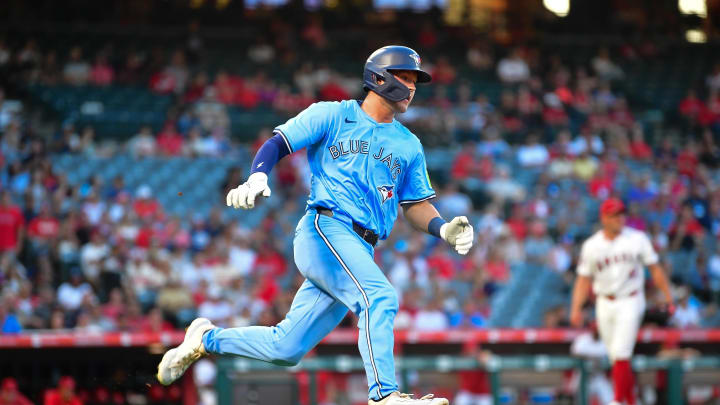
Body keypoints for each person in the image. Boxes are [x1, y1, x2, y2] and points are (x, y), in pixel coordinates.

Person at [157, 46, 474, 405]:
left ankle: (205, 339)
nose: (412, 87)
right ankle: (384, 395)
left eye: (415, 80)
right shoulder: (333, 114)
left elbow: (414, 205)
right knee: (379, 297)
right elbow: (279, 142)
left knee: (286, 347)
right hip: (326, 229)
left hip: (360, 248)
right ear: (379, 77)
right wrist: (257, 177)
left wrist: (443, 229)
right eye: (405, 76)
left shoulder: (409, 144)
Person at [570, 198, 674, 405]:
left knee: (622, 352)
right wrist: (575, 308)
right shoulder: (592, 245)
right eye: (614, 215)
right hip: (604, 301)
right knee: (616, 357)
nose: (620, 218)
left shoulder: (637, 238)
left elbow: (655, 268)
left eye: (622, 214)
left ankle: (618, 400)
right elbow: (583, 280)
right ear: (604, 218)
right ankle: (630, 400)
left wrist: (668, 296)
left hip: (631, 299)